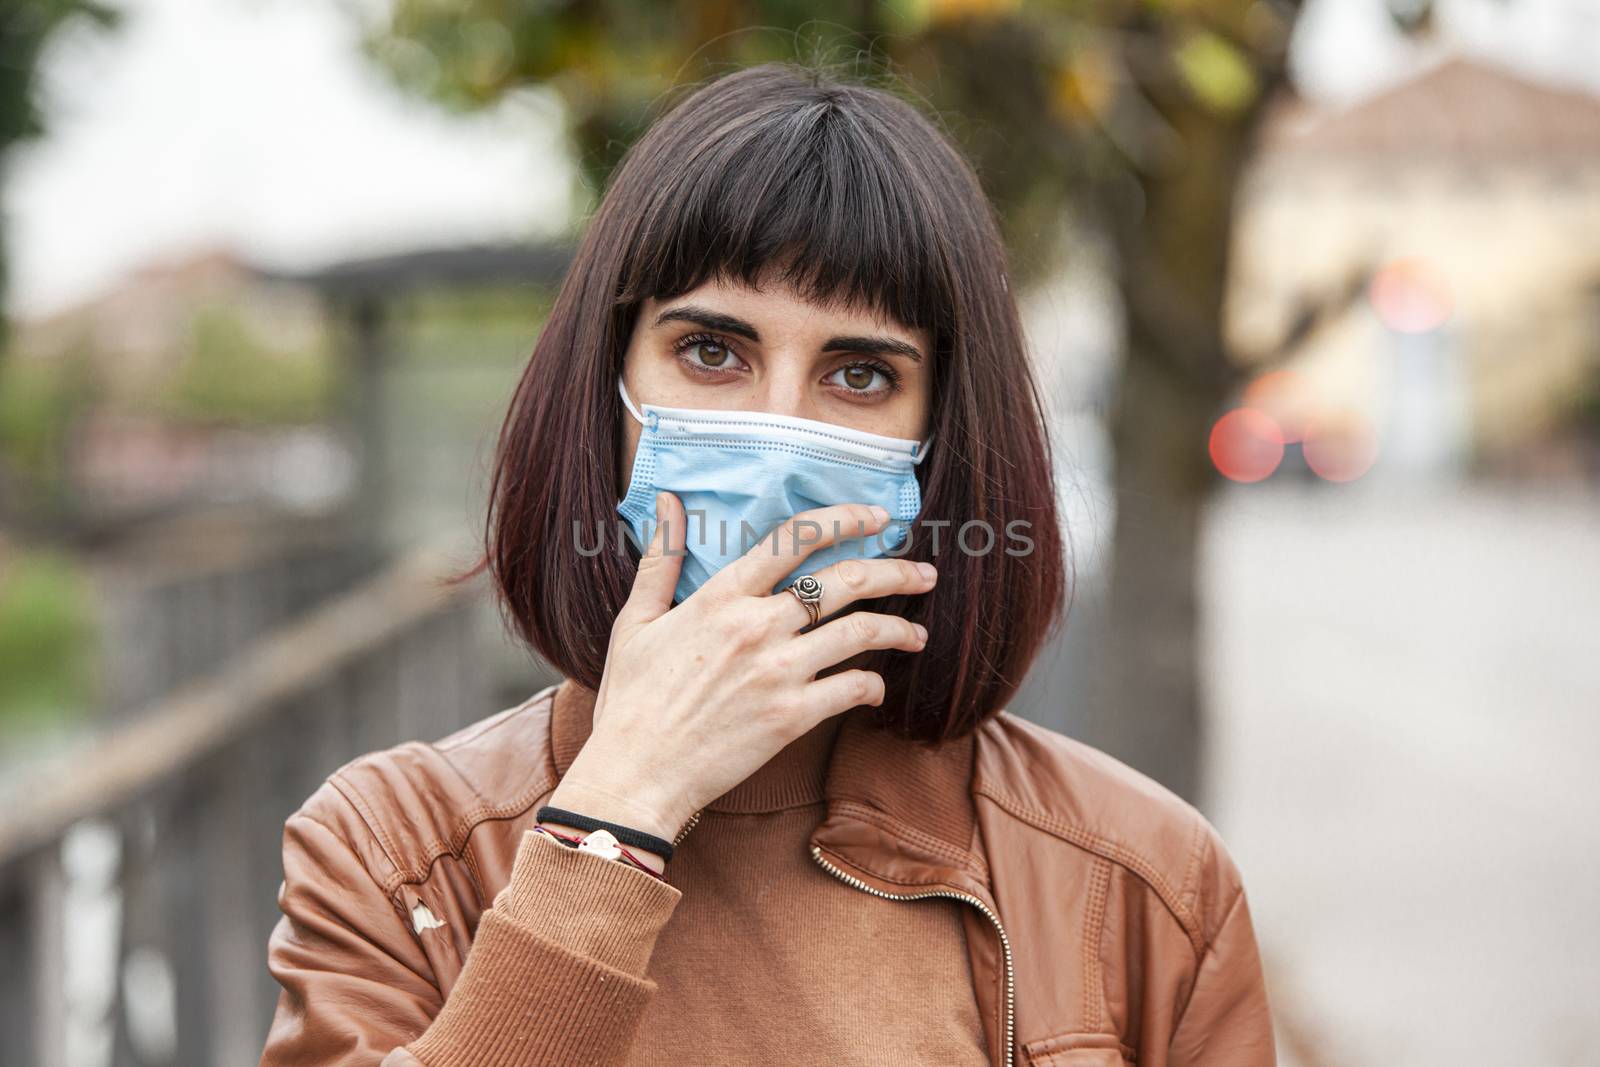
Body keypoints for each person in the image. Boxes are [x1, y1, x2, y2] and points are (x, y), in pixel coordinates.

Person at [260, 61, 1276, 1067]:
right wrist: (618, 810)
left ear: (943, 438)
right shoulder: (392, 851)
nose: (778, 429)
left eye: (860, 373)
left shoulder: (1140, 878)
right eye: (712, 352)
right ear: (605, 386)